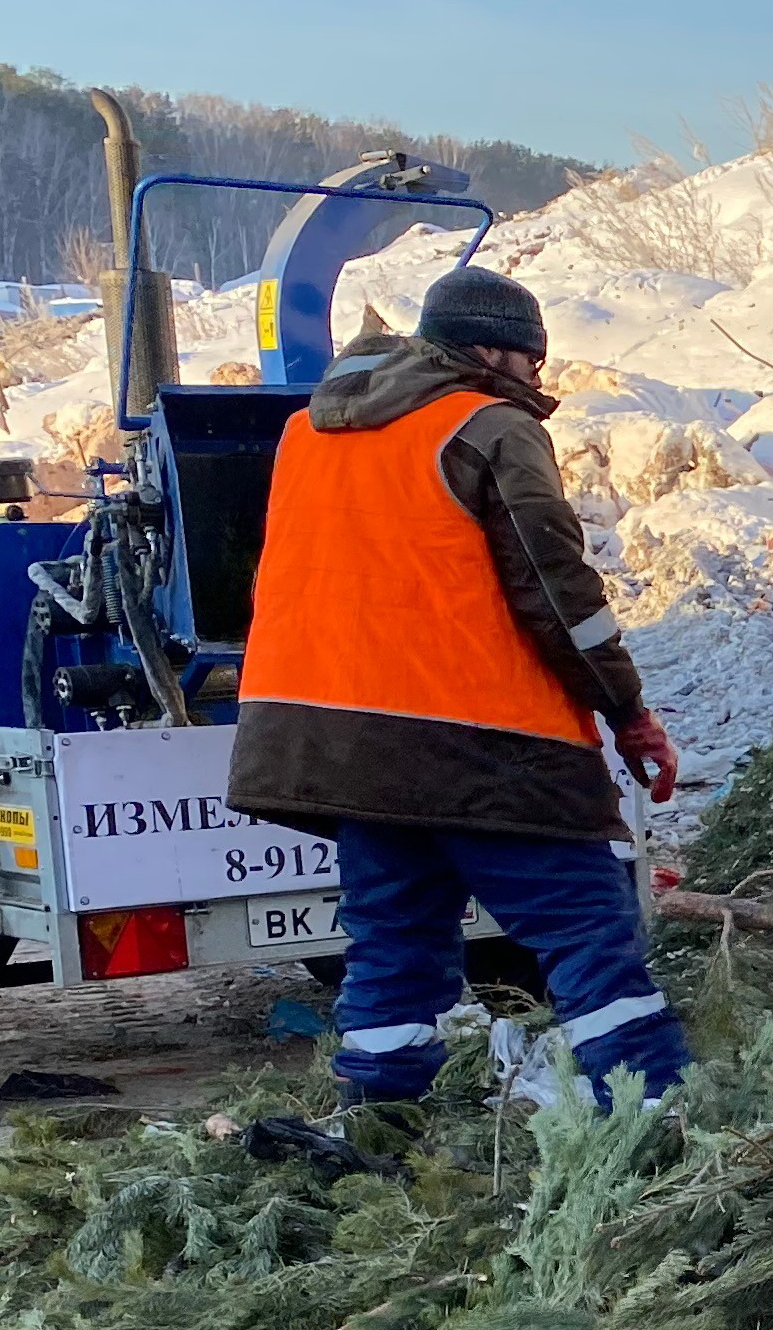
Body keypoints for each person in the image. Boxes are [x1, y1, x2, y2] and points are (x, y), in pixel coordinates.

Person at [233, 265, 688, 1113]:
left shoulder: (308, 433)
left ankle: (378, 1123)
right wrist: (626, 712)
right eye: (531, 361)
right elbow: (559, 596)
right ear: (487, 350)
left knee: (394, 947)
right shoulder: (489, 427)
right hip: (476, 739)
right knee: (587, 928)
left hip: (339, 751)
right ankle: (653, 1113)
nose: (538, 381)